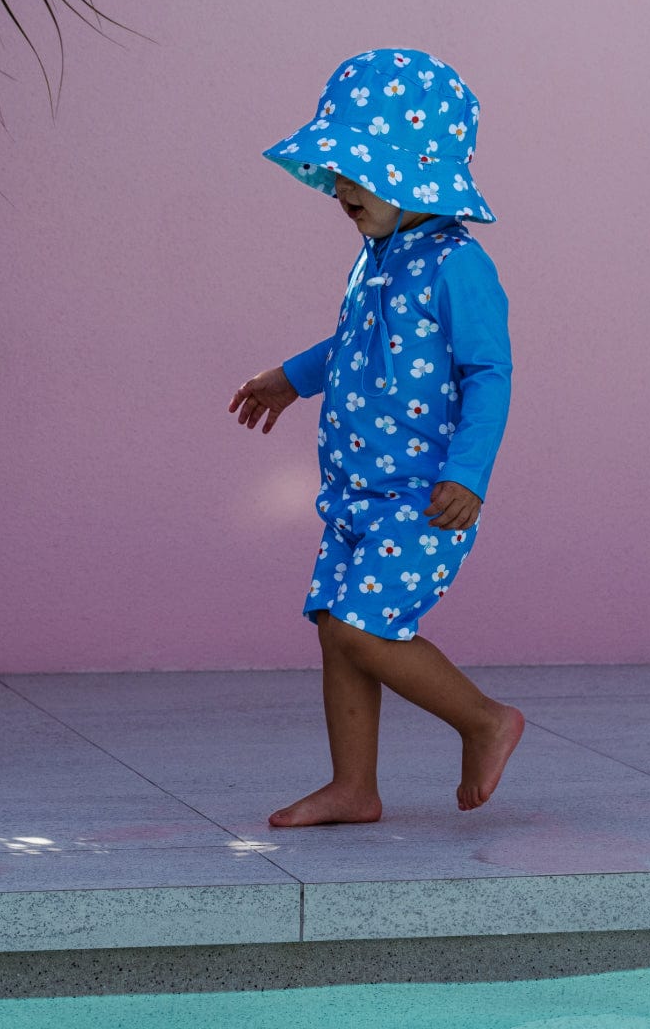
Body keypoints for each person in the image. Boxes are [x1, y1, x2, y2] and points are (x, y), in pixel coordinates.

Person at [229, 48, 524, 828]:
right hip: (356, 492)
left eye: (362, 173)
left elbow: (488, 373)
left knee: (366, 628)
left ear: (421, 177)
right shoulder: (376, 263)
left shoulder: (458, 266)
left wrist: (468, 472)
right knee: (336, 627)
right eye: (337, 173)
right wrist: (292, 377)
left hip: (426, 494)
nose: (343, 190)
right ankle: (354, 786)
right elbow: (356, 343)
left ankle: (485, 720)